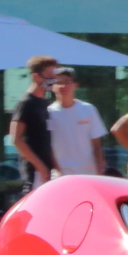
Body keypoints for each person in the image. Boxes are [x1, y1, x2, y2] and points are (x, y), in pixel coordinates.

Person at [42, 69, 109, 177]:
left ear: (75, 85)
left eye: (67, 82)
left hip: (89, 172)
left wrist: (100, 167)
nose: (63, 86)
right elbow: (48, 147)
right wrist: (57, 170)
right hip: (61, 174)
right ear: (53, 87)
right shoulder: (48, 113)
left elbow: (97, 144)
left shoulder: (88, 109)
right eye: (59, 83)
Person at [8, 55, 58, 186]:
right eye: (49, 76)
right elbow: (16, 139)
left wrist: (55, 167)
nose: (53, 80)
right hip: (35, 172)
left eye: (54, 76)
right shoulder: (26, 103)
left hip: (47, 171)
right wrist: (40, 166)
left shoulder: (44, 103)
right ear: (36, 77)